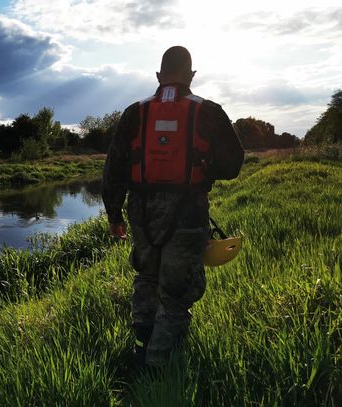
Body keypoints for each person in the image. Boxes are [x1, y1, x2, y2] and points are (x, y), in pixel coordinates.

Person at [102, 46, 244, 367]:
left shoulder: (133, 112)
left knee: (147, 277)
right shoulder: (208, 111)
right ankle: (158, 366)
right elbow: (233, 164)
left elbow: (114, 169)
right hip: (189, 212)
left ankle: (141, 346)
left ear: (157, 76)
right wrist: (204, 168)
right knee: (176, 291)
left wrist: (114, 215)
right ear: (191, 75)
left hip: (141, 215)